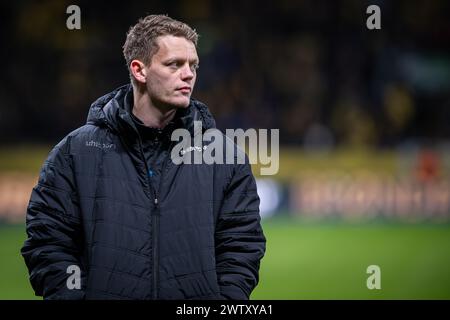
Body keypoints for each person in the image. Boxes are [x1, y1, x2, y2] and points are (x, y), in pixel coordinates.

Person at [21, 14, 266, 300]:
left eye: (193, 65)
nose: (188, 74)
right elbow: (48, 241)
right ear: (139, 70)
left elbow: (242, 246)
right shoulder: (76, 152)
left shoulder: (225, 158)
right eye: (174, 64)